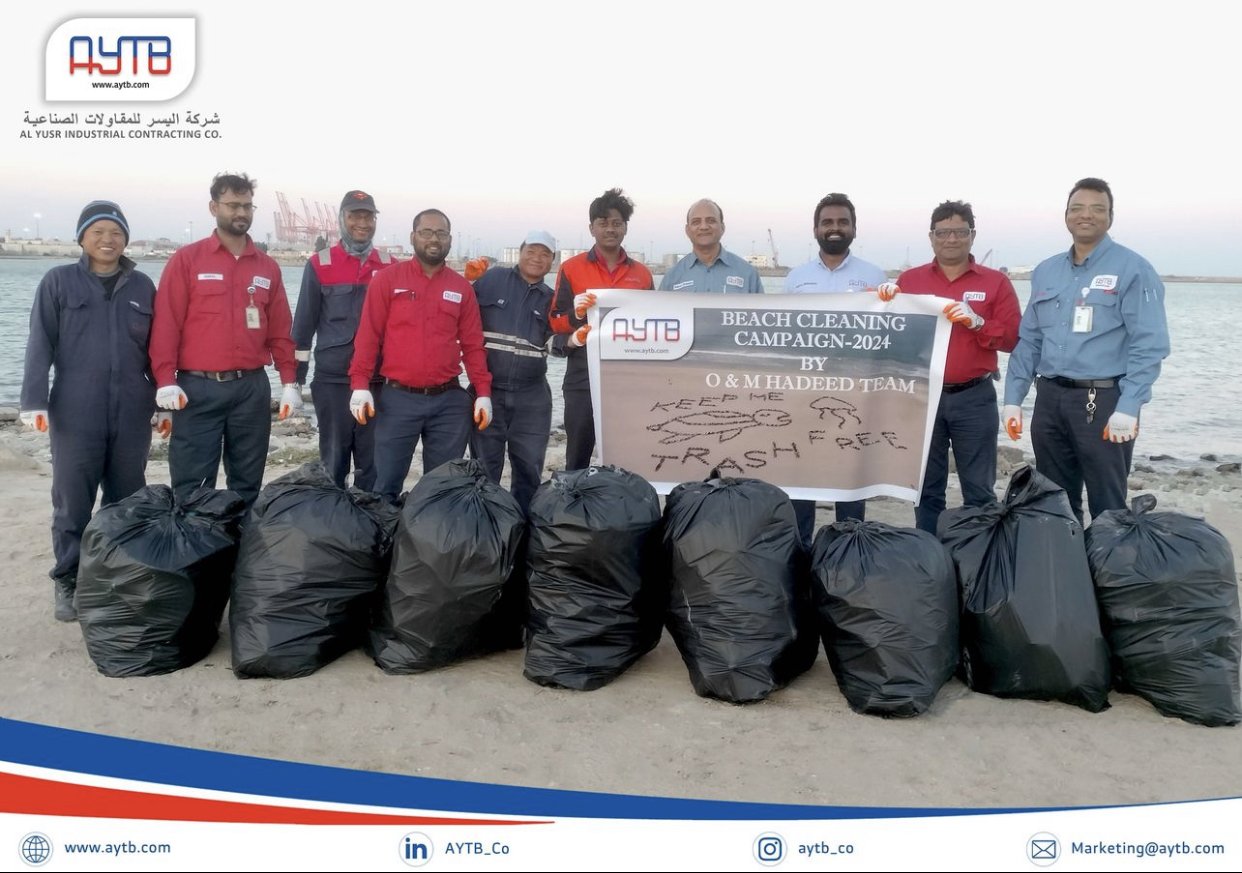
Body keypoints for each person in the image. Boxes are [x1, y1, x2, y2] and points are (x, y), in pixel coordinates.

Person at [20, 200, 158, 621]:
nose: (107, 240)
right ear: (82, 238)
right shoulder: (59, 282)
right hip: (75, 408)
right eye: (98, 232)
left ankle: (115, 578)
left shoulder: (143, 287)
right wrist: (33, 401)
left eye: (116, 232)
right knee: (72, 501)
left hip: (132, 409)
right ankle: (68, 579)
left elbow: (157, 350)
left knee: (126, 500)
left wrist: (164, 405)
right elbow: (39, 343)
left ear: (126, 240)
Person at [1003, 177, 1170, 523]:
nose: (1086, 215)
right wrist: (1013, 399)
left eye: (1097, 209)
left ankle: (1110, 560)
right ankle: (1066, 559)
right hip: (1049, 400)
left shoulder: (1133, 269)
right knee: (1053, 503)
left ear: (1110, 216)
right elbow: (1030, 340)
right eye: (1077, 208)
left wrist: (1129, 406)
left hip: (1104, 402)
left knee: (1108, 504)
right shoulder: (1046, 271)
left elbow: (1149, 344)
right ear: (1066, 215)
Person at [149, 172, 301, 508]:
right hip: (197, 390)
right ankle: (194, 539)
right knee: (192, 483)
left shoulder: (267, 267)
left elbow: (280, 330)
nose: (241, 212)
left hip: (251, 390)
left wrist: (290, 382)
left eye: (247, 206)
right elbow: (166, 325)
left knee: (247, 483)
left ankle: (240, 539)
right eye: (233, 205)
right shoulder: (187, 260)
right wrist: (165, 380)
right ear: (213, 207)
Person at [882, 200, 1021, 534]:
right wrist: (883, 302)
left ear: (972, 235)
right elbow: (888, 335)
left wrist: (978, 323)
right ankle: (929, 554)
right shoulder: (910, 280)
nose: (952, 239)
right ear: (931, 237)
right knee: (926, 489)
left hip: (974, 398)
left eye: (960, 231)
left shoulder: (996, 283)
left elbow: (1013, 339)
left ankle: (977, 555)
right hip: (921, 398)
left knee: (979, 490)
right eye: (943, 232)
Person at [347, 208, 493, 500]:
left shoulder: (461, 288)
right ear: (413, 237)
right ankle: (387, 529)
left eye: (441, 233)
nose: (434, 239)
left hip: (448, 403)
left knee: (442, 489)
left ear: (450, 239)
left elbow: (473, 345)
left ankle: (432, 530)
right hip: (398, 400)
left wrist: (483, 393)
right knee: (386, 484)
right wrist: (359, 385)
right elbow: (368, 336)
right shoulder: (387, 280)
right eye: (426, 232)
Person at [783, 192, 887, 542]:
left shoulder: (874, 276)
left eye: (843, 221)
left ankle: (847, 550)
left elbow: (887, 334)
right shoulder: (795, 278)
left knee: (850, 475)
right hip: (804, 393)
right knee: (801, 473)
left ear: (854, 228)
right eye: (827, 222)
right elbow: (782, 333)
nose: (835, 228)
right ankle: (800, 550)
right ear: (816, 229)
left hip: (855, 394)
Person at [292, 190, 397, 491]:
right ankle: (332, 516)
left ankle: (369, 516)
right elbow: (303, 328)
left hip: (379, 383)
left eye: (368, 216)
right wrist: (294, 383)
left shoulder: (391, 266)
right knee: (333, 461)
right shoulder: (319, 264)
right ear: (341, 219)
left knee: (374, 464)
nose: (362, 223)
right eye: (355, 216)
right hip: (333, 382)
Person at [549, 187, 654, 470]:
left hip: (628, 376)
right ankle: (574, 497)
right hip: (582, 373)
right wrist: (577, 315)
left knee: (628, 457)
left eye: (617, 223)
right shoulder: (571, 268)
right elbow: (555, 320)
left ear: (625, 228)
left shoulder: (642, 274)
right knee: (577, 456)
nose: (610, 229)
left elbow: (653, 326)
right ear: (591, 228)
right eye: (603, 223)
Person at [466, 231, 558, 513]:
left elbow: (562, 344)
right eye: (531, 251)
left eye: (544, 254)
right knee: (484, 470)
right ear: (520, 252)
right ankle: (486, 526)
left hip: (532, 398)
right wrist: (467, 282)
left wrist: (578, 333)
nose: (537, 258)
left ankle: (523, 528)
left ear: (552, 261)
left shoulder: (553, 299)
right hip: (487, 392)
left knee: (529, 470)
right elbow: (459, 311)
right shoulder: (492, 279)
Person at [659, 199, 762, 294]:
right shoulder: (671, 278)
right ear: (687, 230)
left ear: (722, 227)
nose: (704, 227)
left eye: (711, 221)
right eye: (696, 222)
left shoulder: (748, 274)